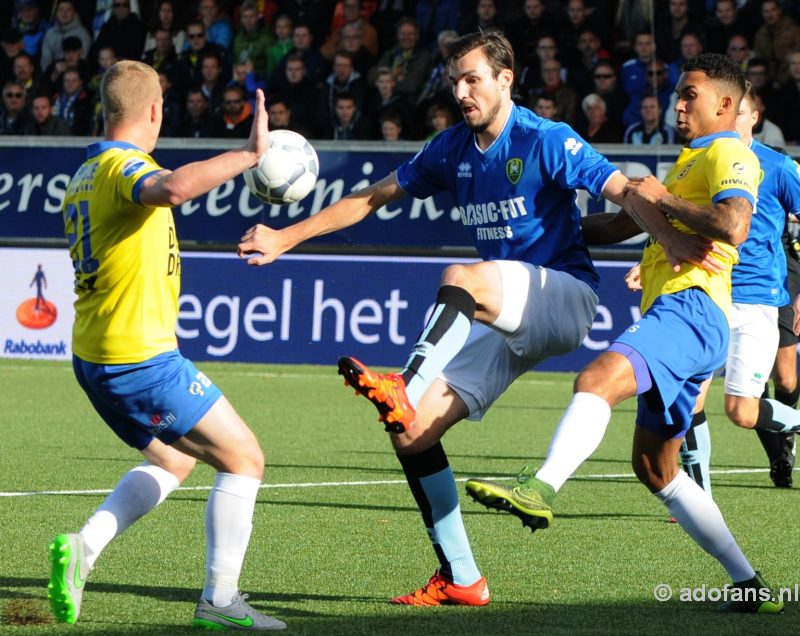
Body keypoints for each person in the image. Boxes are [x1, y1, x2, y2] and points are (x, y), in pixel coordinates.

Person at [236, 30, 689, 606]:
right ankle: (461, 576)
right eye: (455, 79)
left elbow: (625, 189)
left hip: (565, 296)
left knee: (462, 277)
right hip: (506, 309)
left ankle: (407, 381)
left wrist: (667, 236)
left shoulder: (545, 137)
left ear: (505, 79)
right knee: (412, 432)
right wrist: (285, 238)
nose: (462, 89)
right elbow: (371, 198)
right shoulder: (450, 148)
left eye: (473, 77)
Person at [464, 53, 785, 613]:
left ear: (727, 106)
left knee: (598, 376)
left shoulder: (728, 150)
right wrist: (545, 227)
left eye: (690, 95)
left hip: (693, 307)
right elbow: (618, 223)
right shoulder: (690, 160)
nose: (678, 104)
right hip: (681, 314)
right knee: (655, 468)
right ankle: (749, 584)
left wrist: (662, 198)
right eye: (678, 94)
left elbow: (734, 223)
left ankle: (539, 488)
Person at [48, 60, 286, 631]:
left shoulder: (81, 175)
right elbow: (173, 187)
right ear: (154, 112)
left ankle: (86, 546)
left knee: (174, 458)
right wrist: (248, 157)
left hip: (95, 355)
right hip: (140, 357)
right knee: (245, 458)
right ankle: (220, 601)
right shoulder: (124, 166)